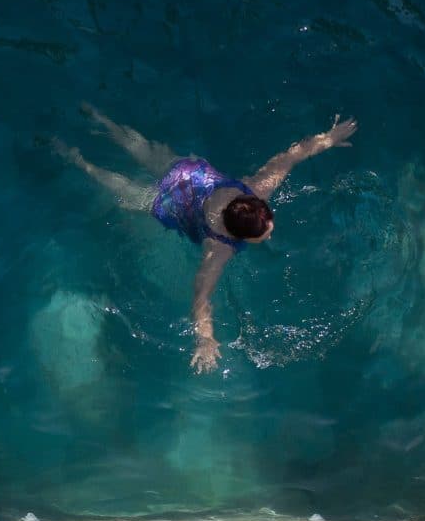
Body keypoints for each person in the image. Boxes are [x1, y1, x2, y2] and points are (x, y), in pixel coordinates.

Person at [53, 105, 358, 374]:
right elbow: (200, 296)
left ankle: (98, 117)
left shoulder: (254, 189)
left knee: (143, 149)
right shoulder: (219, 248)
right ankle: (78, 160)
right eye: (265, 232)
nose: (271, 230)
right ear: (238, 236)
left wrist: (329, 138)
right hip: (170, 205)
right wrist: (206, 339)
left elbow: (291, 155)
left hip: (188, 174)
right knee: (120, 186)